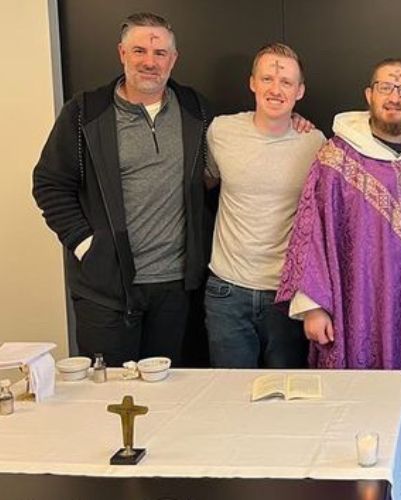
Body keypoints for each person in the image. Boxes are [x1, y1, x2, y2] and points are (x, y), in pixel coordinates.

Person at [276, 58, 401, 496]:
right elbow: (311, 227)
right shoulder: (336, 158)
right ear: (369, 95)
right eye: (385, 87)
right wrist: (314, 306)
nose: (394, 97)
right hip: (359, 306)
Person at [33, 12, 211, 367]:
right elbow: (49, 184)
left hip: (176, 289)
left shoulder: (196, 109)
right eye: (139, 50)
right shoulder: (85, 112)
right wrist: (87, 246)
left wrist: (293, 121)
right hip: (106, 289)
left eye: (160, 53)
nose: (150, 62)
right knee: (107, 391)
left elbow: (236, 148)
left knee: (168, 393)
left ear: (173, 59)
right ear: (122, 53)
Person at [203, 43, 325, 368]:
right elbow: (204, 183)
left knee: (286, 395)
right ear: (252, 83)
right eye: (267, 79)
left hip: (286, 294)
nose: (275, 89)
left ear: (300, 91)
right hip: (227, 291)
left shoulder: (314, 142)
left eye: (286, 82)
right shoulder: (221, 131)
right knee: (230, 394)